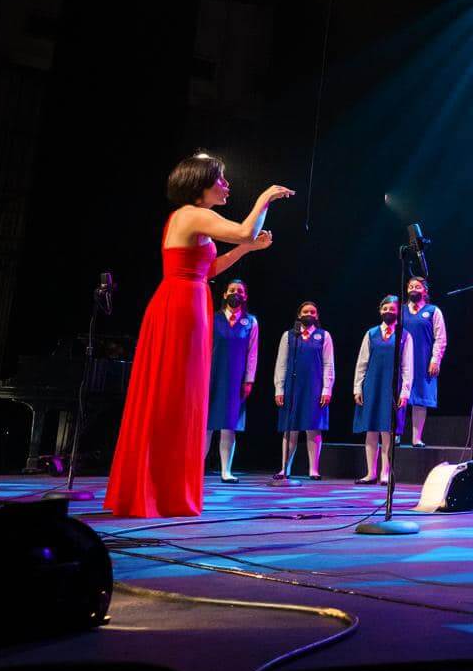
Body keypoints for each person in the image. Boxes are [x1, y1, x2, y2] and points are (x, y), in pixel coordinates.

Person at [105, 153, 288, 518]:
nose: (225, 185)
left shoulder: (194, 218)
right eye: (220, 179)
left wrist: (246, 249)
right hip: (180, 304)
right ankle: (156, 490)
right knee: (173, 391)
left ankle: (163, 490)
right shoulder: (193, 213)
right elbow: (244, 229)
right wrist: (265, 198)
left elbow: (212, 267)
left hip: (190, 299)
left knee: (182, 394)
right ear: (201, 184)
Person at [352, 295, 414, 484]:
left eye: (392, 309)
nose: (388, 312)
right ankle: (371, 473)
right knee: (371, 430)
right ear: (380, 311)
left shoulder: (405, 335)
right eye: (385, 309)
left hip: (391, 387)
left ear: (397, 312)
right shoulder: (371, 334)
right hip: (372, 385)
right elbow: (362, 362)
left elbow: (407, 366)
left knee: (388, 430)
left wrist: (404, 392)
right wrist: (357, 387)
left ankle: (385, 473)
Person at [274, 300, 334, 480]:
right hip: (292, 387)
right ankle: (285, 468)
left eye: (313, 312)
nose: (309, 315)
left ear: (317, 316)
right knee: (289, 428)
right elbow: (281, 363)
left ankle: (313, 469)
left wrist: (326, 389)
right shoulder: (289, 336)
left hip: (314, 387)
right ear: (299, 315)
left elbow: (328, 363)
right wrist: (279, 388)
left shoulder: (324, 336)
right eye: (306, 312)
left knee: (313, 428)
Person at [206, 279, 258, 483]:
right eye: (231, 290)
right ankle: (198, 467)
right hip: (211, 375)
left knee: (230, 425)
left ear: (245, 297)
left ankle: (226, 470)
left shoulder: (251, 322)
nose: (235, 293)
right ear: (224, 294)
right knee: (206, 425)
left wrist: (249, 380)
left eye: (240, 291)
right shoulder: (213, 318)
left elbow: (252, 353)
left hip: (236, 378)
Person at [402, 276, 447, 447]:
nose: (413, 289)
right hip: (402, 360)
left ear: (425, 290)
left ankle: (416, 438)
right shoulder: (401, 310)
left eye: (417, 287)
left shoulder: (433, 311)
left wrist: (435, 360)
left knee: (420, 398)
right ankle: (396, 434)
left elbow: (440, 338)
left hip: (423, 359)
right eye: (411, 286)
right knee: (400, 398)